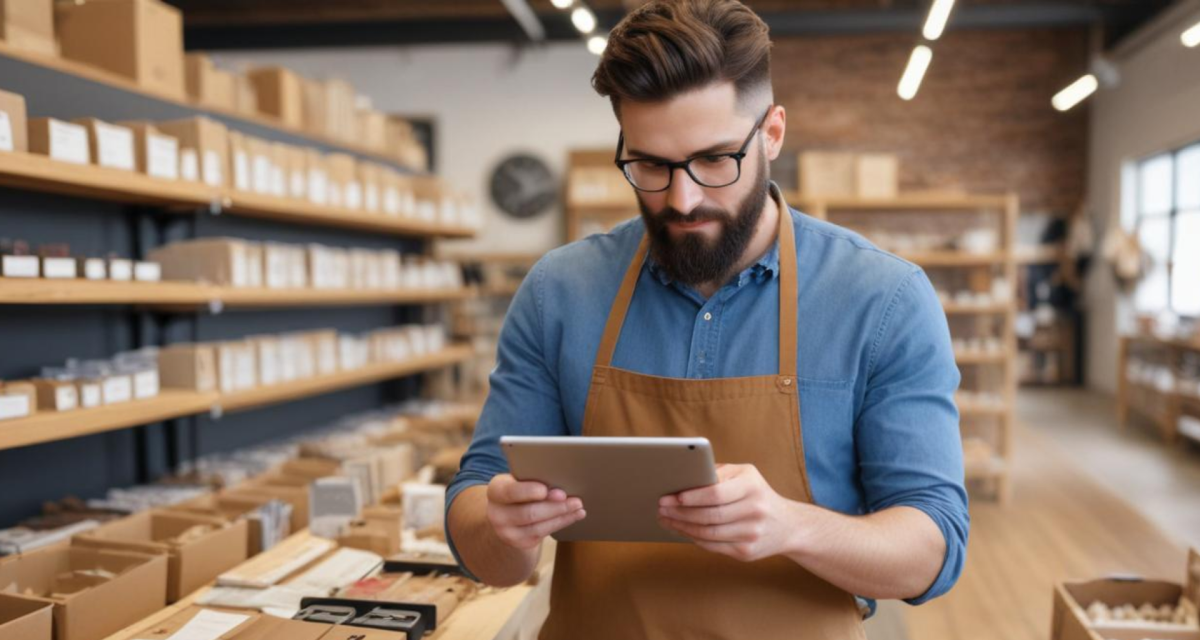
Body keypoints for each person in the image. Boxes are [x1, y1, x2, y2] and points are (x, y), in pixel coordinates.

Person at [445, 1, 969, 637]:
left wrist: (791, 525)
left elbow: (932, 547)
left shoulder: (882, 300)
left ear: (772, 133)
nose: (682, 199)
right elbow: (480, 519)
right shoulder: (560, 292)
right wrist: (502, 527)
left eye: (715, 160)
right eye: (650, 166)